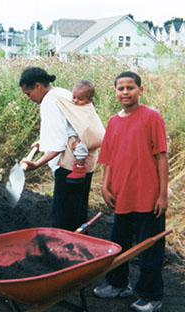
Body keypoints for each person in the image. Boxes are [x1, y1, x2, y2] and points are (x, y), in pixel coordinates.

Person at [92, 71, 168, 312]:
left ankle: (151, 295)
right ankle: (118, 284)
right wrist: (105, 185)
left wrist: (162, 194)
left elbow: (161, 157)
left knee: (149, 249)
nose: (125, 92)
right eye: (120, 88)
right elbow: (110, 158)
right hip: (122, 195)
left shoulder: (151, 117)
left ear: (140, 90)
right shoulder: (114, 122)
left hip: (148, 197)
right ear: (115, 92)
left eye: (130, 87)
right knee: (118, 244)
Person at [19, 67, 104, 231]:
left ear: (38, 86)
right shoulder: (63, 93)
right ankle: (81, 253)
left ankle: (64, 254)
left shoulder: (50, 101)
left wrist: (36, 164)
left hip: (69, 168)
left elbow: (58, 145)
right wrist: (41, 142)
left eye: (28, 93)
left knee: (64, 221)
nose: (29, 98)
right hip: (84, 163)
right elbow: (68, 127)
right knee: (78, 217)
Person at [65, 80, 96, 183]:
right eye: (74, 97)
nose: (75, 101)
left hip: (83, 135)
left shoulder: (86, 110)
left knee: (81, 148)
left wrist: (79, 140)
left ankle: (79, 168)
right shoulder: (74, 106)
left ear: (90, 100)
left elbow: (85, 127)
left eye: (80, 99)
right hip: (73, 133)